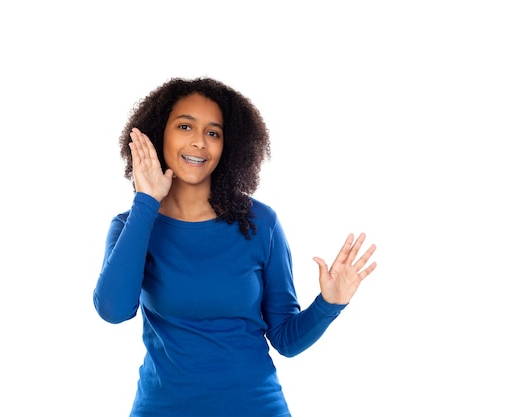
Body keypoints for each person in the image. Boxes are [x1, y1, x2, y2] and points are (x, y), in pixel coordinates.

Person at [93, 77, 377, 417]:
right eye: (185, 126)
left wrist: (330, 303)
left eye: (213, 133)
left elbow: (286, 339)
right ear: (159, 134)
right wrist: (146, 201)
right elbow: (113, 309)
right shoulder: (132, 225)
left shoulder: (260, 223)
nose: (199, 142)